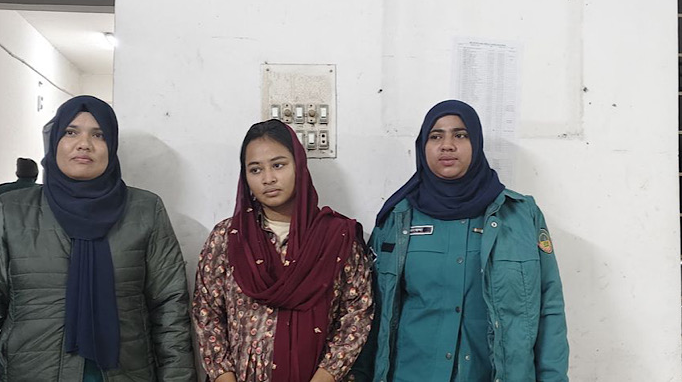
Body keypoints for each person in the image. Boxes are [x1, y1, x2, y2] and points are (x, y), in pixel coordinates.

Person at [0, 95, 196, 381]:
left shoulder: (145, 210)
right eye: (71, 132)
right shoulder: (11, 211)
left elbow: (170, 311)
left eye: (98, 135)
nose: (84, 144)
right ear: (55, 142)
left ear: (112, 146)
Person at [350, 100, 568, 382]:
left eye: (460, 135)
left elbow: (549, 308)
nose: (447, 145)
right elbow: (370, 311)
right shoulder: (397, 218)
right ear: (422, 146)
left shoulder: (521, 216)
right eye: (435, 136)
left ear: (476, 143)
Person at [193, 119, 373, 382]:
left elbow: (356, 316)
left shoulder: (337, 238)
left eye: (278, 165)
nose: (268, 179)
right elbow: (207, 314)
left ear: (299, 166)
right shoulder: (227, 238)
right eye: (256, 170)